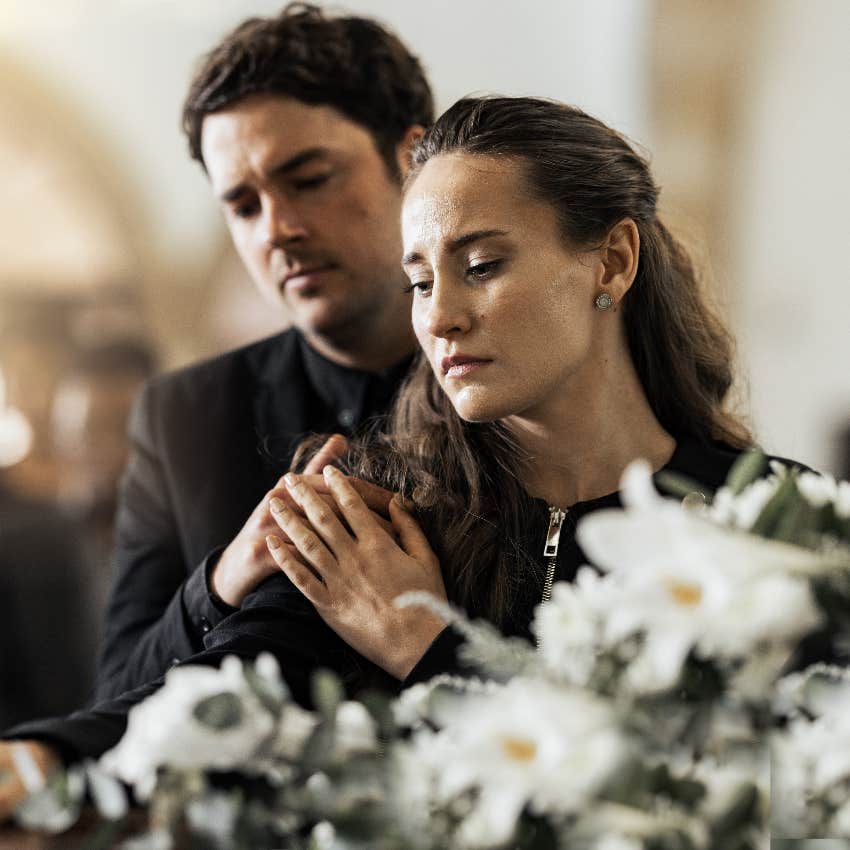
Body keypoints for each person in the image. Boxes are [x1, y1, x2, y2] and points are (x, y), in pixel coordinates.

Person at [1, 96, 770, 816]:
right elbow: (220, 691)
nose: (438, 316)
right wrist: (43, 756)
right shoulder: (384, 505)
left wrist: (426, 646)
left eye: (481, 266)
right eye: (419, 280)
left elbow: (688, 799)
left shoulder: (770, 532)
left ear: (612, 262)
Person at [93, 3, 433, 701]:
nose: (276, 229)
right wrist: (225, 578)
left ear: (412, 159)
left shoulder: (513, 385)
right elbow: (115, 693)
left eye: (308, 180)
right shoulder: (180, 412)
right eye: (243, 206)